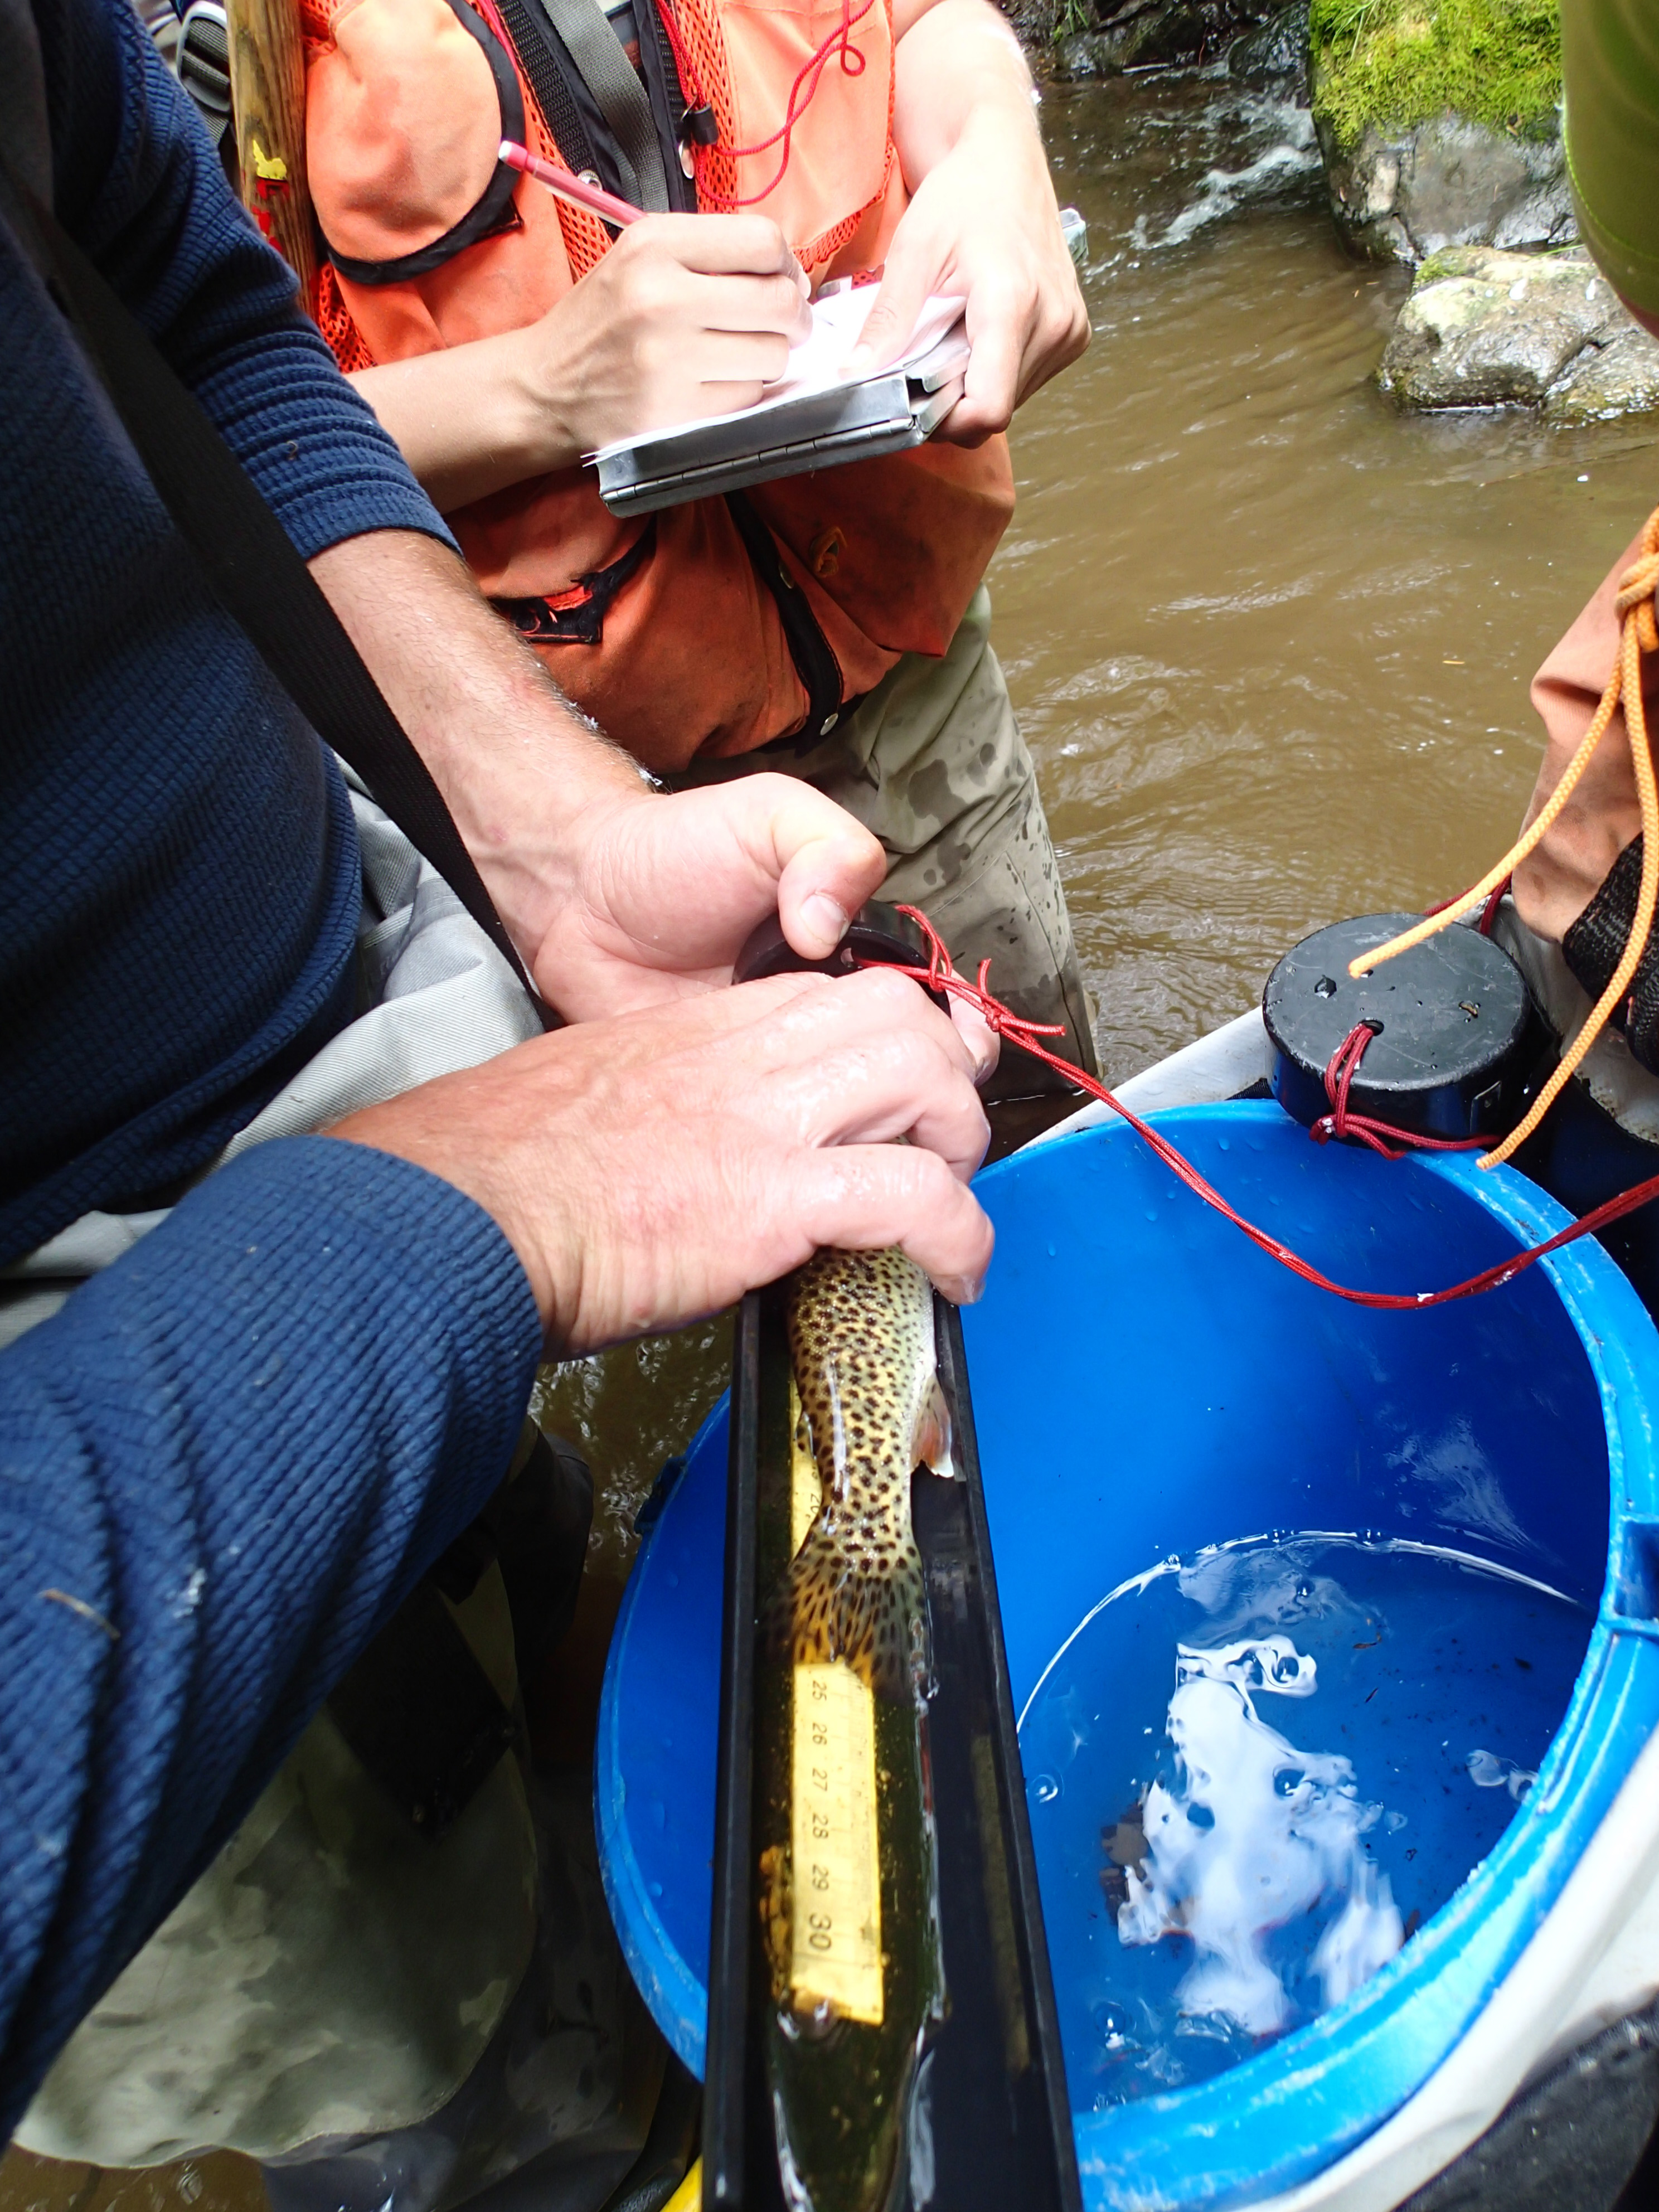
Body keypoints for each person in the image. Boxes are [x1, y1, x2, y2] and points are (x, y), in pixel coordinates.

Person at [0, 0, 994, 2163]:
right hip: (115, 1444)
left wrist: (541, 836)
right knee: (479, 2111)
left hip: (388, 1114)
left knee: (600, 1734)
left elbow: (192, 322)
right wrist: (458, 1220)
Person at [290, 0, 1098, 1095]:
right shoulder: (193, 56)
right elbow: (193, 435)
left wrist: (999, 146)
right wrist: (546, 387)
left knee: (1044, 1123)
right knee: (779, 1232)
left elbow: (924, 24)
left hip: (925, 689)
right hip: (583, 807)